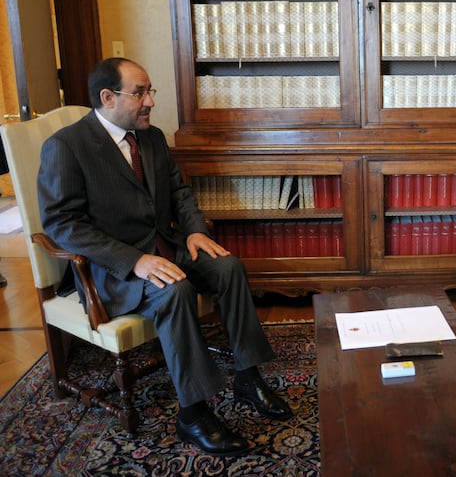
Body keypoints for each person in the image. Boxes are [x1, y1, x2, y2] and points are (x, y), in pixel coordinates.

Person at [37, 57, 292, 457]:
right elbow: (62, 224)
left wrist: (193, 230)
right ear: (108, 97)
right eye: (140, 93)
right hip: (114, 270)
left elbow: (178, 193)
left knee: (228, 267)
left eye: (149, 91)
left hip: (167, 247)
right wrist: (133, 260)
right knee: (175, 291)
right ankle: (193, 414)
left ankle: (248, 375)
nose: (150, 101)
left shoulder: (151, 138)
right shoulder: (67, 147)